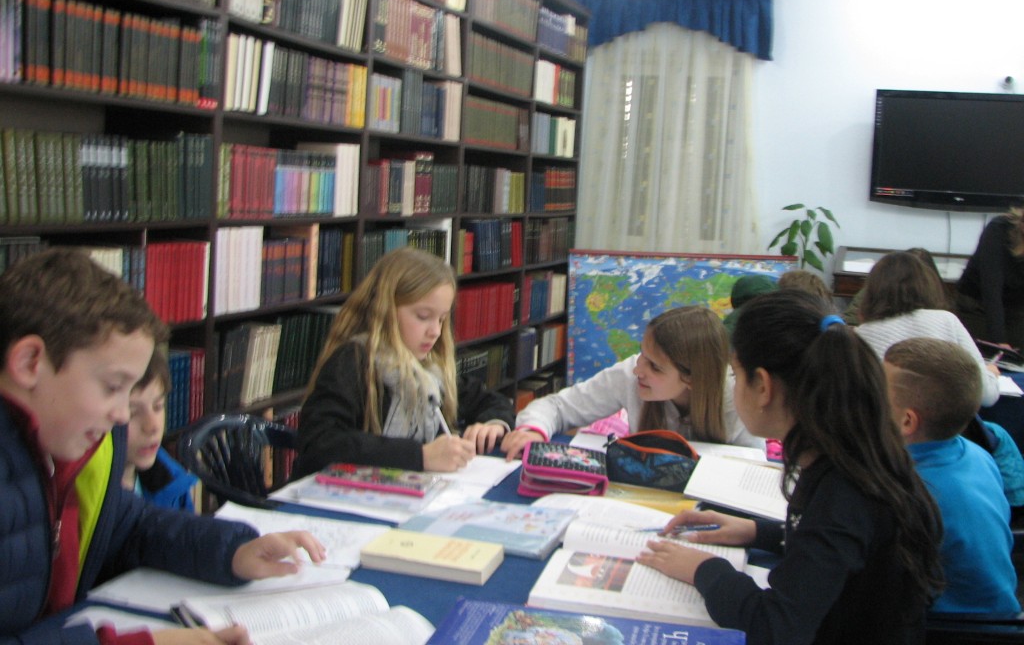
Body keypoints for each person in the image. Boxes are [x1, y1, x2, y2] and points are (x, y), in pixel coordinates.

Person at [0, 247, 326, 645]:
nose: (122, 415)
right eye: (113, 387)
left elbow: (131, 526)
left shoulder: (71, 447)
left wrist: (233, 552)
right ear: (29, 362)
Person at [636, 290, 943, 645]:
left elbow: (775, 627)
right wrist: (758, 531)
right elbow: (833, 554)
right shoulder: (850, 457)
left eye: (736, 373)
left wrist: (703, 568)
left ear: (763, 386)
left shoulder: (844, 494)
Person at [293, 247, 514, 478]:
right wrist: (421, 456)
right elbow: (320, 444)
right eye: (423, 316)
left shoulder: (427, 371)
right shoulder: (353, 361)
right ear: (385, 311)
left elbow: (489, 400)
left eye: (442, 319)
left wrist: (493, 424)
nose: (436, 331)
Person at [501, 306, 763, 461]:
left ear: (692, 379)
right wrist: (533, 431)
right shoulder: (630, 375)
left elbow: (754, 468)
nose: (638, 369)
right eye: (642, 354)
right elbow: (557, 407)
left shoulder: (738, 397)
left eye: (655, 366)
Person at [883, 337, 1020, 617]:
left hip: (954, 628)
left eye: (876, 393)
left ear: (907, 421)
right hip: (1001, 613)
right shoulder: (976, 454)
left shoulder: (909, 490)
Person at [856, 250, 1001, 406]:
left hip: (885, 419)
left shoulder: (861, 335)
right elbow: (987, 394)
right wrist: (991, 375)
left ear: (871, 290)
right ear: (927, 285)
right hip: (942, 419)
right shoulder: (947, 321)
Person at [122, 346, 197, 511]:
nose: (153, 426)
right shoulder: (82, 504)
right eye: (132, 413)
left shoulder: (172, 479)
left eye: (158, 406)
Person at [956, 198, 1024, 350]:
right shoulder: (999, 229)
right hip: (977, 306)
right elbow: (991, 289)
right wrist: (999, 341)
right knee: (986, 354)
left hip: (1016, 308)